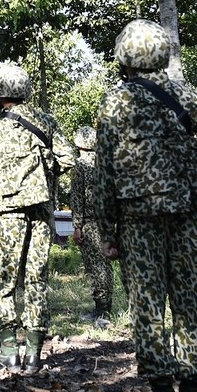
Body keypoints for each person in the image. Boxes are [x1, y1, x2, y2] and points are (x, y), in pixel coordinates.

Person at [93, 20, 197, 392]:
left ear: (124, 56)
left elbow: (104, 175)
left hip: (136, 220)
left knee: (148, 307)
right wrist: (193, 173)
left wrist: (107, 232)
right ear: (161, 52)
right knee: (191, 300)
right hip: (185, 215)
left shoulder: (114, 102)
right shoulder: (187, 95)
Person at [0, 63, 75, 374]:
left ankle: (9, 352)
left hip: (7, 215)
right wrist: (45, 174)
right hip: (42, 213)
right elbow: (68, 158)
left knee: (2, 282)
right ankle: (34, 354)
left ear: (0, 95)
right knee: (36, 280)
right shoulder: (47, 122)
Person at [70, 125, 113, 325]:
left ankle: (102, 309)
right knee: (106, 265)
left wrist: (77, 226)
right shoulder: (106, 162)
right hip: (109, 219)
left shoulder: (79, 166)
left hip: (90, 222)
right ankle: (107, 306)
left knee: (96, 266)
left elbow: (78, 197)